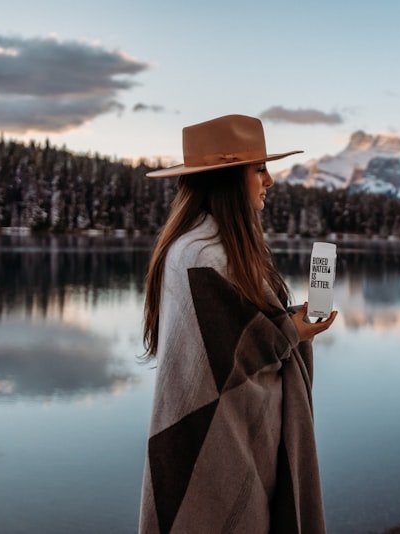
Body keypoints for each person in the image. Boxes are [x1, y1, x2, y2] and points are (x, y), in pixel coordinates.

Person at [138, 114, 337, 534]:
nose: (270, 181)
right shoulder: (203, 256)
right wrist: (290, 332)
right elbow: (229, 351)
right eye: (259, 168)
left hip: (238, 430)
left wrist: (285, 325)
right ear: (229, 178)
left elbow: (235, 334)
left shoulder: (205, 247)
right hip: (215, 436)